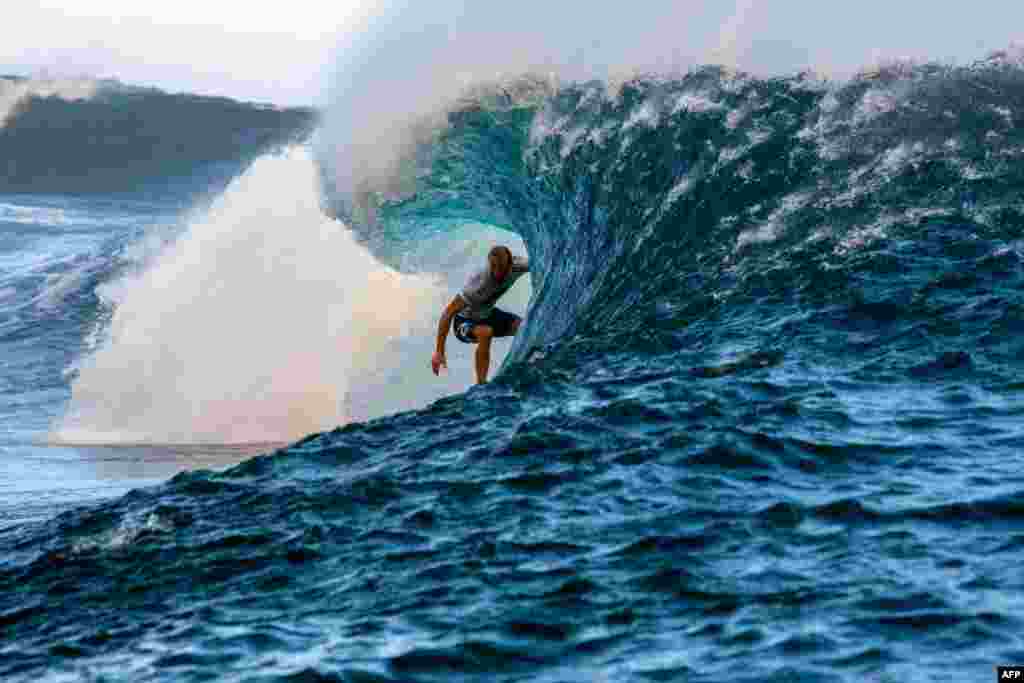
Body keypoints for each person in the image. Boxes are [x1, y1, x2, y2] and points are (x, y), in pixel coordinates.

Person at [431, 245, 529, 384]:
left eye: (501, 268)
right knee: (485, 332)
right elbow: (449, 312)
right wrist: (439, 351)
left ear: (510, 264)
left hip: (488, 314)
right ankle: (481, 384)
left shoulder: (518, 266)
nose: (497, 272)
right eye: (493, 267)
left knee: (526, 326)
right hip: (465, 322)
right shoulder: (478, 283)